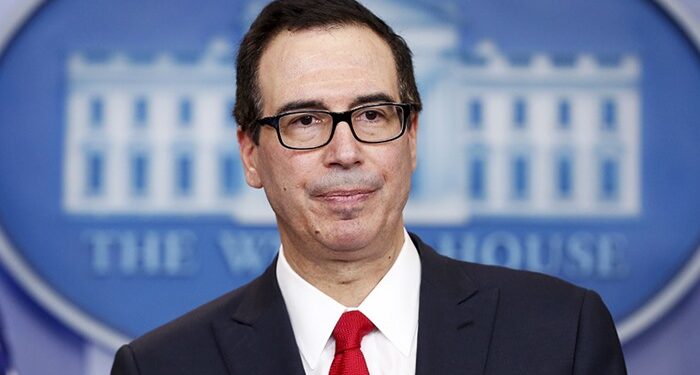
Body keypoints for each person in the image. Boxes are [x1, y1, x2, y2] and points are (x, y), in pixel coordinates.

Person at [111, 0, 627, 374]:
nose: (345, 151)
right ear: (251, 155)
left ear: (413, 138)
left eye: (373, 114)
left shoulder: (563, 333)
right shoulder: (161, 365)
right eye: (306, 121)